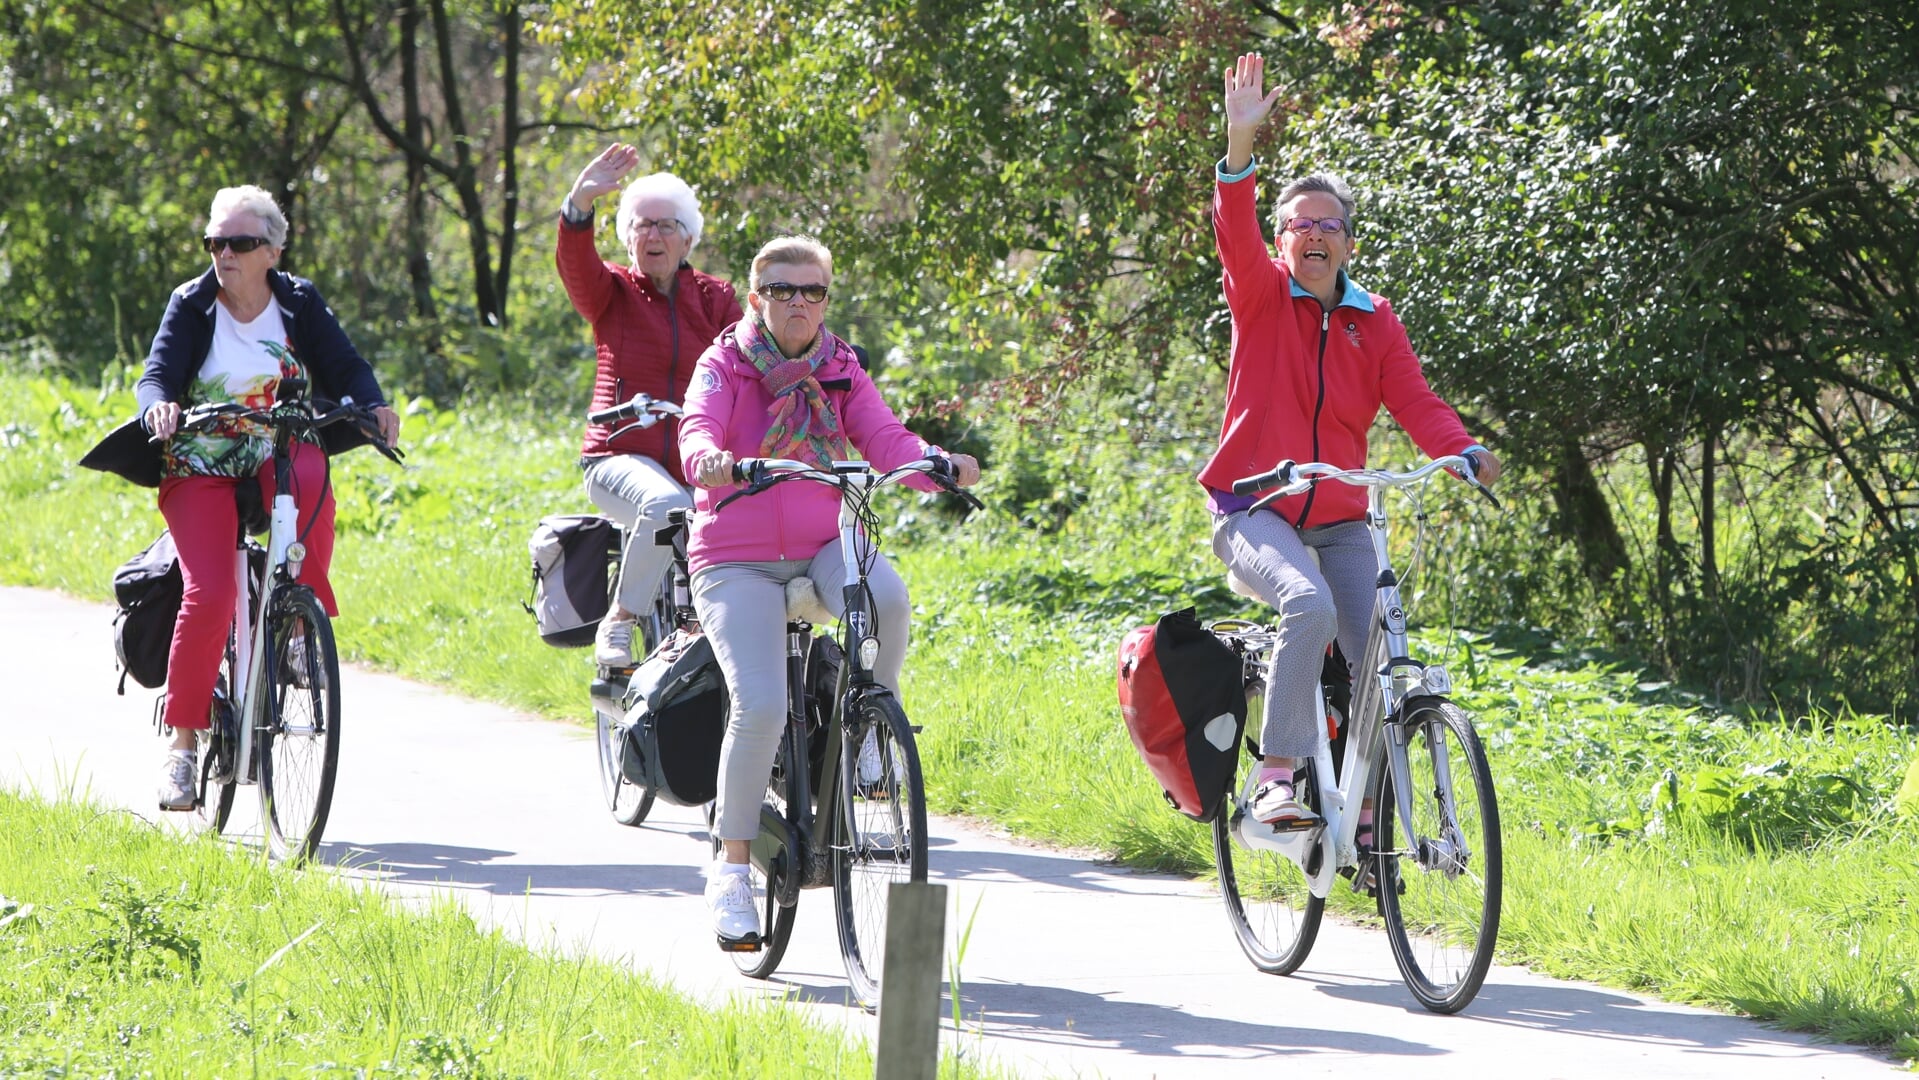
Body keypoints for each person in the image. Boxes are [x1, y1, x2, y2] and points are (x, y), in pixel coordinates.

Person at [1202, 54, 1502, 835]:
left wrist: (1461, 450)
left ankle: (1367, 804)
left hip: (1338, 515)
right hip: (1254, 507)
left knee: (1377, 638)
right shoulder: (1261, 294)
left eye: (1326, 225)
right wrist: (1239, 145)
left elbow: (1414, 401)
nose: (1312, 234)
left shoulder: (1375, 320)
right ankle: (1274, 779)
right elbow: (1232, 230)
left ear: (1347, 246)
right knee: (1306, 603)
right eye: (1298, 224)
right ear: (1281, 241)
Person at [678, 235, 980, 945]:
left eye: (812, 291)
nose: (798, 303)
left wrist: (934, 465)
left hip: (820, 542)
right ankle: (730, 871)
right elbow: (696, 429)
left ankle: (875, 724)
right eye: (782, 290)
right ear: (757, 298)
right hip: (735, 555)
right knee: (760, 705)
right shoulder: (723, 363)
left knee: (889, 596)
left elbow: (885, 439)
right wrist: (713, 461)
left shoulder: (840, 367)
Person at [105, 185, 401, 811]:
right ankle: (182, 749)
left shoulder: (297, 300)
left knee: (315, 479)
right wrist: (156, 404)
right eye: (215, 242)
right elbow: (156, 371)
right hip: (201, 457)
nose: (225, 254)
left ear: (273, 250)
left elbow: (347, 367)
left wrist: (375, 406)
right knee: (209, 593)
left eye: (240, 243)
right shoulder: (192, 303)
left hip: (278, 444)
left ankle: (297, 622)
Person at [558, 143, 743, 668]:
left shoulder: (715, 299)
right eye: (641, 226)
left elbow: (755, 356)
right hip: (618, 457)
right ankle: (621, 619)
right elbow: (576, 265)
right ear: (628, 236)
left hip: (694, 459)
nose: (652, 236)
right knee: (666, 507)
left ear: (688, 237)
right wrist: (579, 204)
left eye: (665, 225)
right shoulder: (611, 291)